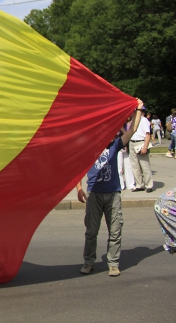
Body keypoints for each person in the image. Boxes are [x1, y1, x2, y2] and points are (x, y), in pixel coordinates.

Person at [77, 100, 144, 277]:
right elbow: (78, 169)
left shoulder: (115, 146)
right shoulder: (88, 149)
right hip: (94, 195)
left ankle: (113, 263)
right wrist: (79, 188)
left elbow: (132, 130)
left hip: (113, 193)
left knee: (115, 230)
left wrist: (138, 109)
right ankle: (89, 262)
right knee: (91, 231)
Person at [129, 107, 153, 192]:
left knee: (144, 165)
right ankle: (139, 184)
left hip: (140, 142)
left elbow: (147, 134)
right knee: (135, 166)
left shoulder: (143, 120)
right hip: (132, 142)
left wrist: (145, 146)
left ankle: (149, 184)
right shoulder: (132, 120)